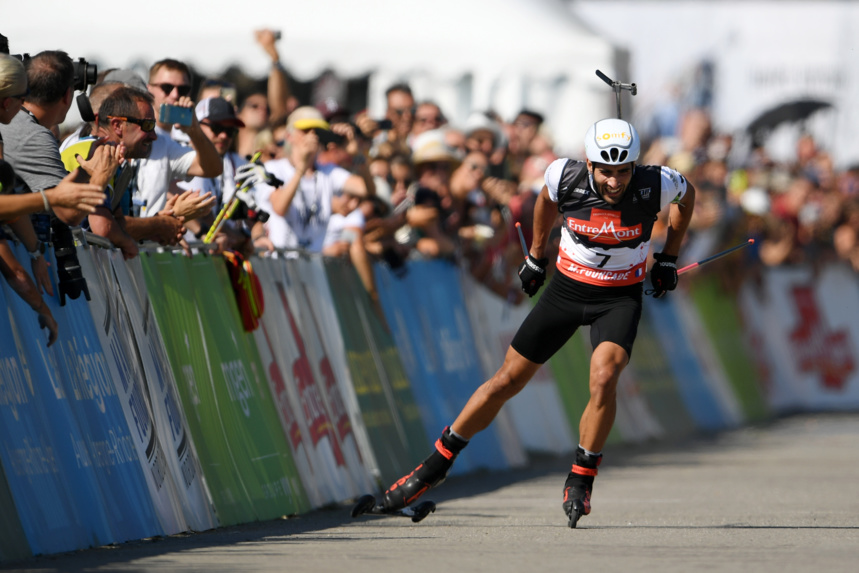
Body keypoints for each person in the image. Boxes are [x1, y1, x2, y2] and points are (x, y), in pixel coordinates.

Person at [380, 118, 696, 528]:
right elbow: (545, 202)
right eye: (606, 171)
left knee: (605, 376)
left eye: (623, 171)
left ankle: (582, 476)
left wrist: (669, 256)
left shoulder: (657, 182)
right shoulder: (564, 175)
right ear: (589, 163)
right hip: (567, 291)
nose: (616, 182)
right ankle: (436, 464)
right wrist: (535, 255)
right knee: (507, 380)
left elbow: (687, 199)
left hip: (619, 296)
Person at [238, 106, 370, 254]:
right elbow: (280, 208)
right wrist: (302, 167)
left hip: (312, 264)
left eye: (317, 131)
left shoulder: (327, 171)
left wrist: (357, 155)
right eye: (306, 130)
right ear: (289, 136)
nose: (312, 136)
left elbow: (367, 190)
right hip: (279, 261)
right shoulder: (274, 168)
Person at [133, 58, 222, 218]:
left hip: (151, 238)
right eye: (167, 88)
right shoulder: (130, 131)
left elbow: (213, 169)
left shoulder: (168, 142)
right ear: (149, 90)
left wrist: (194, 130)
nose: (175, 95)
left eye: (182, 89)